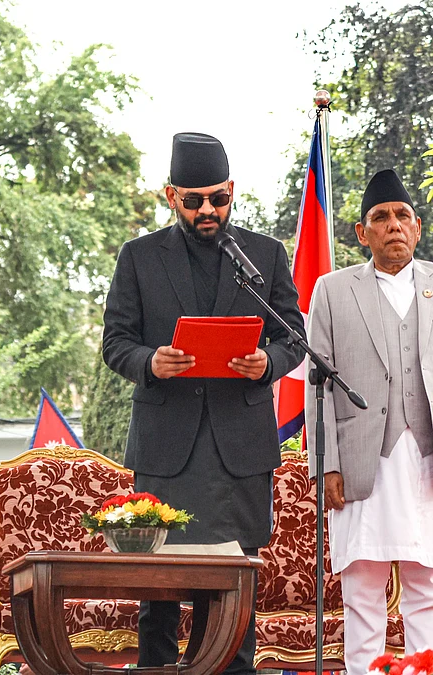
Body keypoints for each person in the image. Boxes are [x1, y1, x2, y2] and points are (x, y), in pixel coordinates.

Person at [102, 133, 306, 673]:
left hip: (239, 451)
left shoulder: (263, 255)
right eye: (194, 201)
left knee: (235, 592)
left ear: (232, 190)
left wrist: (269, 364)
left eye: (217, 198)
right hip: (168, 451)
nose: (207, 210)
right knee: (160, 595)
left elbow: (293, 336)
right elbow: (115, 341)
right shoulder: (139, 256)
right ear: (172, 196)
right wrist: (150, 361)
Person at [306, 169, 433, 673]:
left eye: (402, 216)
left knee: (427, 588)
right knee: (361, 592)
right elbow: (318, 388)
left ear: (418, 227)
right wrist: (325, 466)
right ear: (362, 232)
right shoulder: (332, 291)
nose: (392, 225)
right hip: (361, 463)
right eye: (380, 217)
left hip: (425, 459)